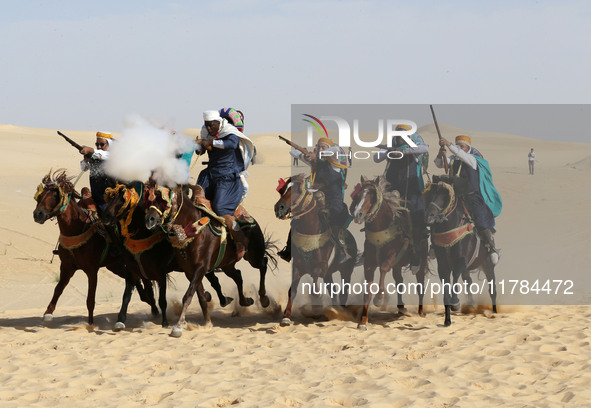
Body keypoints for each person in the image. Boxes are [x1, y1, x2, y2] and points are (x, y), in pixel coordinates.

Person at [278, 137, 351, 263]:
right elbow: (293, 152)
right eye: (319, 146)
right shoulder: (316, 162)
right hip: (316, 199)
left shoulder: (334, 161)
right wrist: (305, 156)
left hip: (333, 200)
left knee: (334, 218)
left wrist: (317, 154)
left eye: (324, 147)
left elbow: (335, 150)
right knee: (297, 218)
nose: (321, 149)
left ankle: (341, 251)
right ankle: (288, 250)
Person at [195, 110, 255, 259]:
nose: (208, 129)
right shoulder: (206, 132)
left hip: (227, 178)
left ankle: (240, 240)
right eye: (206, 126)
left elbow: (231, 144)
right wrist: (200, 147)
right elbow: (201, 150)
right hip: (209, 175)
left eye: (211, 126)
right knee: (195, 202)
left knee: (220, 207)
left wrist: (211, 142)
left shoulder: (229, 132)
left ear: (219, 122)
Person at [435, 135, 502, 264]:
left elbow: (462, 156)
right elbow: (439, 164)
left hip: (471, 196)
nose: (459, 148)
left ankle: (491, 247)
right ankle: (434, 245)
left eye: (462, 146)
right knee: (437, 212)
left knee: (480, 219)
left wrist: (449, 144)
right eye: (458, 145)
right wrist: (440, 153)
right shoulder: (454, 159)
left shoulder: (473, 159)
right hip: (454, 195)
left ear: (468, 148)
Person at [373, 124, 429, 270]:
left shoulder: (415, 145)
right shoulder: (391, 145)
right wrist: (390, 151)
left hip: (412, 189)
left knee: (416, 220)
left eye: (403, 134)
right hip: (392, 190)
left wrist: (405, 150)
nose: (400, 137)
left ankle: (416, 254)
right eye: (398, 134)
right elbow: (376, 158)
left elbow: (425, 148)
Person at [79, 131, 117, 215]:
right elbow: (83, 168)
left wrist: (91, 150)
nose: (99, 147)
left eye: (102, 144)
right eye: (97, 144)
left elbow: (104, 155)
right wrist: (86, 160)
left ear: (109, 144)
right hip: (95, 197)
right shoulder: (95, 155)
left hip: (109, 201)